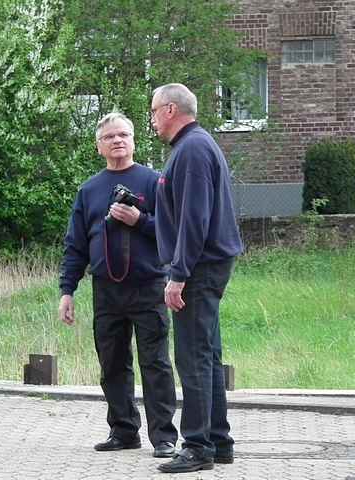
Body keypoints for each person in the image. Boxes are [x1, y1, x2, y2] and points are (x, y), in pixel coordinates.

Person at [58, 112, 178, 459]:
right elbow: (75, 245)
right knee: (112, 362)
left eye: (124, 134)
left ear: (135, 140)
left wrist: (140, 220)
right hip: (106, 289)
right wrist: (67, 291)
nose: (118, 141)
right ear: (99, 147)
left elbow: (172, 234)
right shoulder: (89, 190)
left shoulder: (155, 182)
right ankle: (123, 430)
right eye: (110, 137)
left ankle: (164, 437)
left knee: (155, 362)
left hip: (148, 285)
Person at [150, 83, 243, 473]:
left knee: (192, 357)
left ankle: (198, 445)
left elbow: (194, 217)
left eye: (154, 111)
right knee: (207, 354)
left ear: (170, 110)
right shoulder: (195, 146)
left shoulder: (191, 150)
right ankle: (219, 442)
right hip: (205, 266)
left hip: (198, 268)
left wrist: (179, 274)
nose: (152, 119)